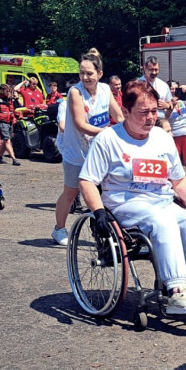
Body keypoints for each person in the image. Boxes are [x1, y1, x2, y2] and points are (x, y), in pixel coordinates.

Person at [80, 80, 186, 316]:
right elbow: (87, 180)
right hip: (126, 203)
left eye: (154, 111)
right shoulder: (108, 139)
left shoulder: (162, 138)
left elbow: (178, 181)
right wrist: (98, 211)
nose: (151, 117)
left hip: (162, 201)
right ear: (125, 112)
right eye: (143, 112)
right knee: (163, 222)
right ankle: (176, 292)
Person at [50, 52, 124, 246]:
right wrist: (107, 133)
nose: (85, 77)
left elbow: (118, 116)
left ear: (99, 73)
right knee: (71, 192)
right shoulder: (75, 92)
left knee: (105, 192)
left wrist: (129, 132)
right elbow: (80, 124)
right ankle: (59, 229)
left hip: (99, 151)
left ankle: (104, 231)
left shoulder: (106, 90)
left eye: (89, 73)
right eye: (82, 73)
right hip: (77, 152)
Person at [139, 56, 173, 132]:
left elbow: (171, 105)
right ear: (145, 68)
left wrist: (167, 106)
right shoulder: (137, 85)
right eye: (151, 70)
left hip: (160, 124)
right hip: (144, 123)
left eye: (156, 70)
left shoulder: (163, 85)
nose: (154, 72)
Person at [0, 84, 22, 166]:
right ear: (2, 91)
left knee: (5, 141)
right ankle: (14, 159)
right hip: (2, 122)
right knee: (7, 140)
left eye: (9, 91)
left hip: (10, 121)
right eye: (7, 91)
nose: (8, 93)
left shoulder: (10, 99)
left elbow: (16, 108)